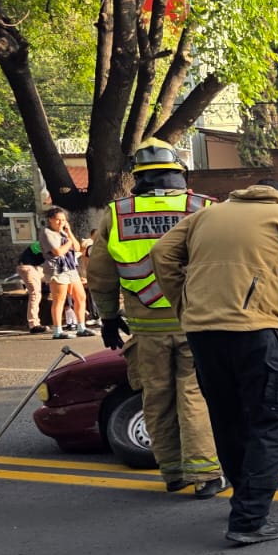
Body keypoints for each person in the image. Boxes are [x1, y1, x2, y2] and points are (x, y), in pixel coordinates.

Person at [154, 179, 278, 545]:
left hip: (202, 334)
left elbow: (161, 254)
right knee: (272, 424)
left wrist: (186, 307)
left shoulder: (205, 216)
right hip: (256, 331)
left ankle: (245, 501)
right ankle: (249, 520)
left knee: (228, 421)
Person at [88, 138, 226, 499]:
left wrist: (106, 316)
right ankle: (206, 474)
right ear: (179, 174)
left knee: (157, 396)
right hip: (195, 319)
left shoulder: (116, 213)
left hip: (145, 326)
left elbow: (101, 273)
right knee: (194, 394)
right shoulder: (204, 208)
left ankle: (173, 472)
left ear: (139, 178)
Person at [41, 207, 93, 338]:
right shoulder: (47, 233)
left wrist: (69, 233)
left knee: (81, 297)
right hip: (57, 269)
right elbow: (58, 252)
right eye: (58, 220)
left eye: (63, 220)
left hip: (70, 267)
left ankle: (81, 327)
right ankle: (57, 331)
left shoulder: (64, 233)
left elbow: (76, 248)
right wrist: (68, 242)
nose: (61, 223)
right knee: (60, 300)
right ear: (50, 220)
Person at [15, 231, 46, 334]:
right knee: (35, 293)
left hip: (35, 267)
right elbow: (53, 255)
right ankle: (34, 324)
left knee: (59, 283)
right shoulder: (42, 244)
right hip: (27, 267)